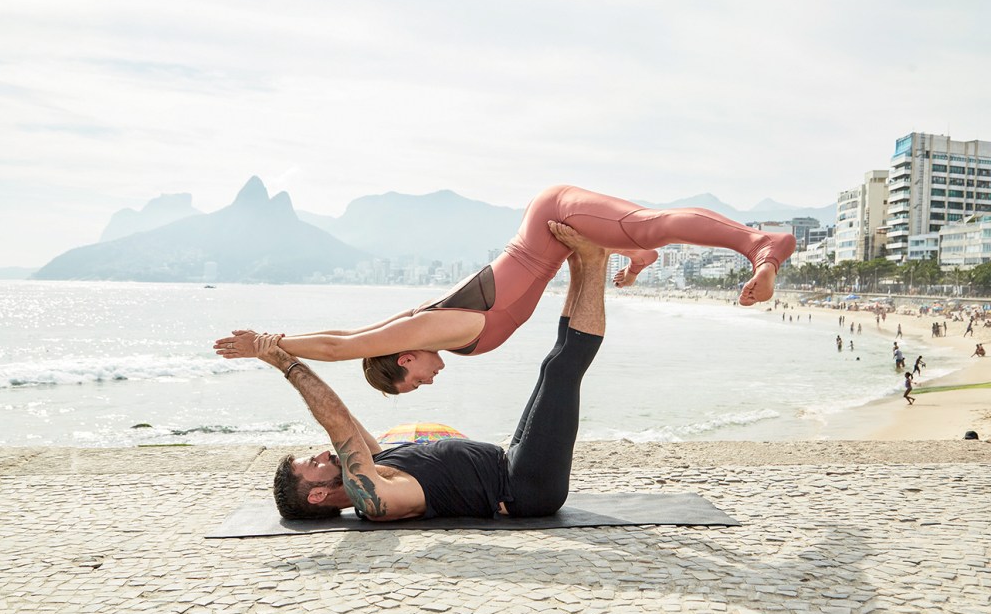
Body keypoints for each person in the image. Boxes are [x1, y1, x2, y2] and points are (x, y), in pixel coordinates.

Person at [215, 185, 796, 394]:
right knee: (637, 238)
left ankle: (761, 245)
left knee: (646, 223)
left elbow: (345, 347)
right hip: (561, 243)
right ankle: (636, 256)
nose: (427, 381)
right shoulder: (434, 331)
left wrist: (270, 343)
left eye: (414, 381)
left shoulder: (435, 330)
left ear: (405, 358)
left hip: (550, 219)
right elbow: (350, 336)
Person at [269, 224, 611, 520]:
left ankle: (581, 266)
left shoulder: (373, 462)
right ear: (317, 495)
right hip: (525, 487)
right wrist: (286, 364)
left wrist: (284, 348)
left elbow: (340, 413)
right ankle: (596, 262)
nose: (324, 454)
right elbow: (336, 423)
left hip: (510, 462)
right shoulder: (376, 499)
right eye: (313, 464)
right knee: (561, 372)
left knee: (552, 366)